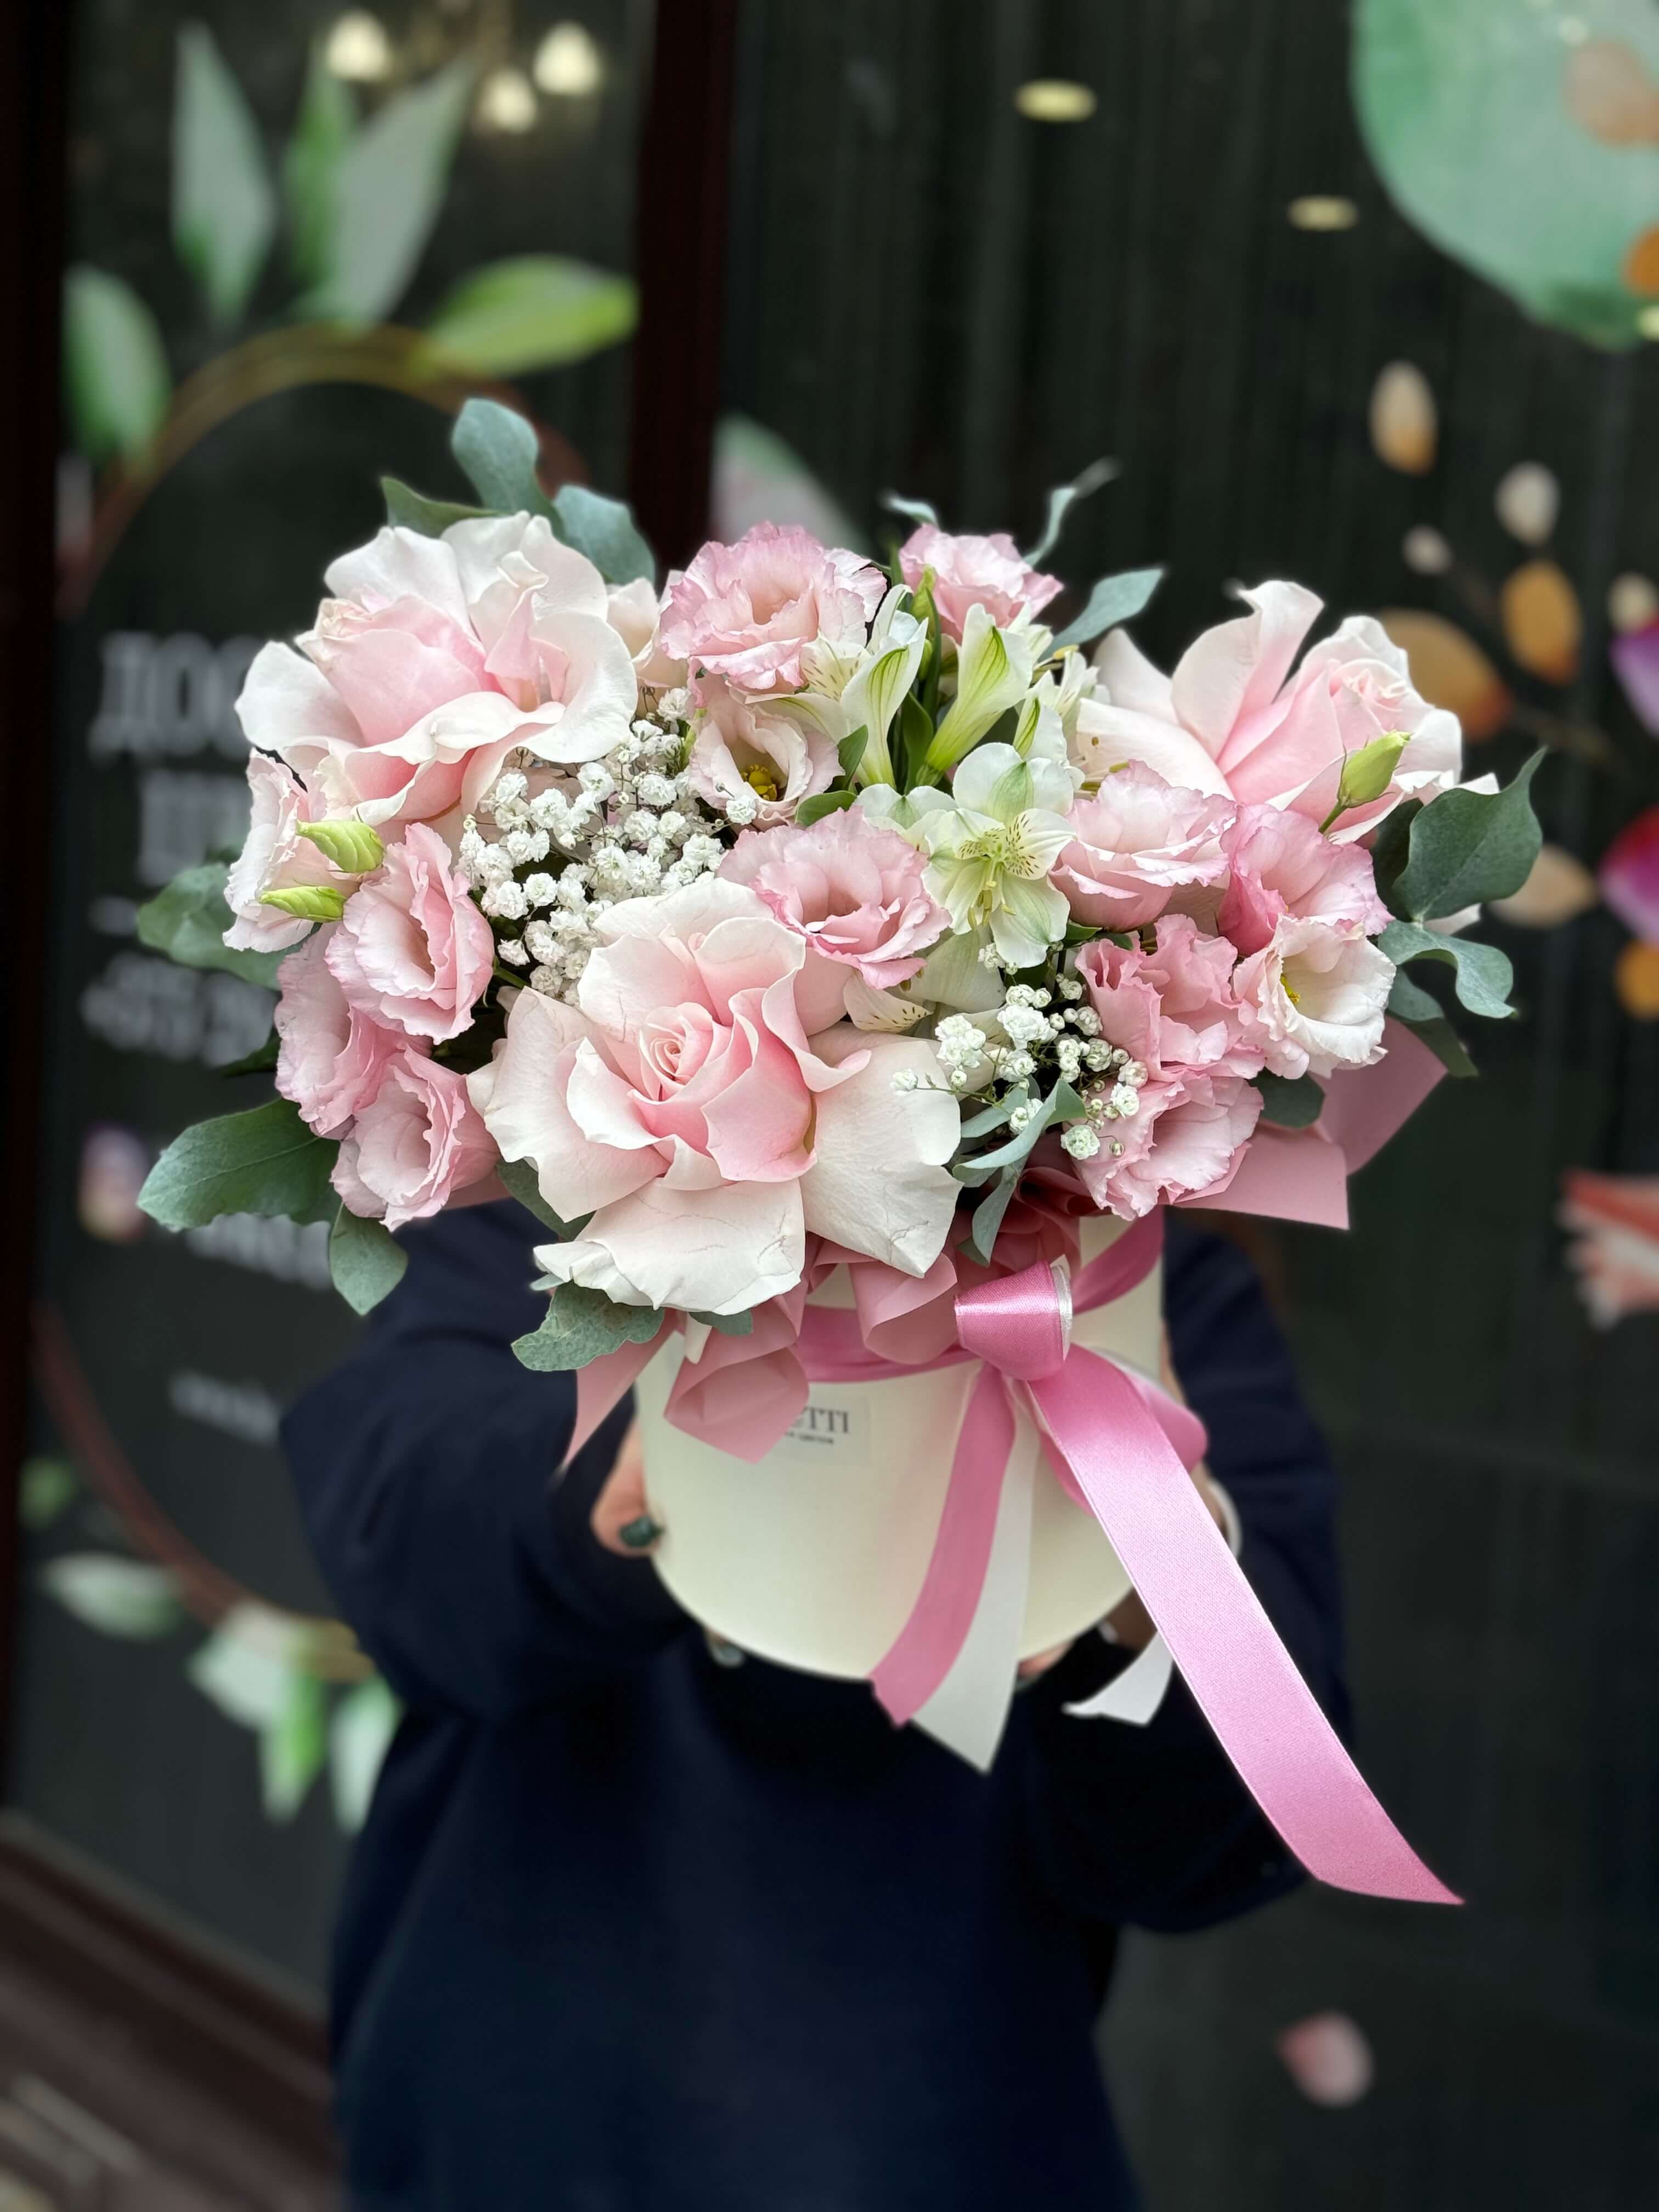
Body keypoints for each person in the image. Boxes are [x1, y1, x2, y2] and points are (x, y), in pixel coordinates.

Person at [284, 1198, 1347, 2212]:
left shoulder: (1149, 1289)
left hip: (928, 2130)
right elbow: (395, 1526)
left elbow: (1243, 1824)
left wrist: (1150, 1554)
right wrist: (655, 1472)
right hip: (505, 2092)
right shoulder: (561, 1193)